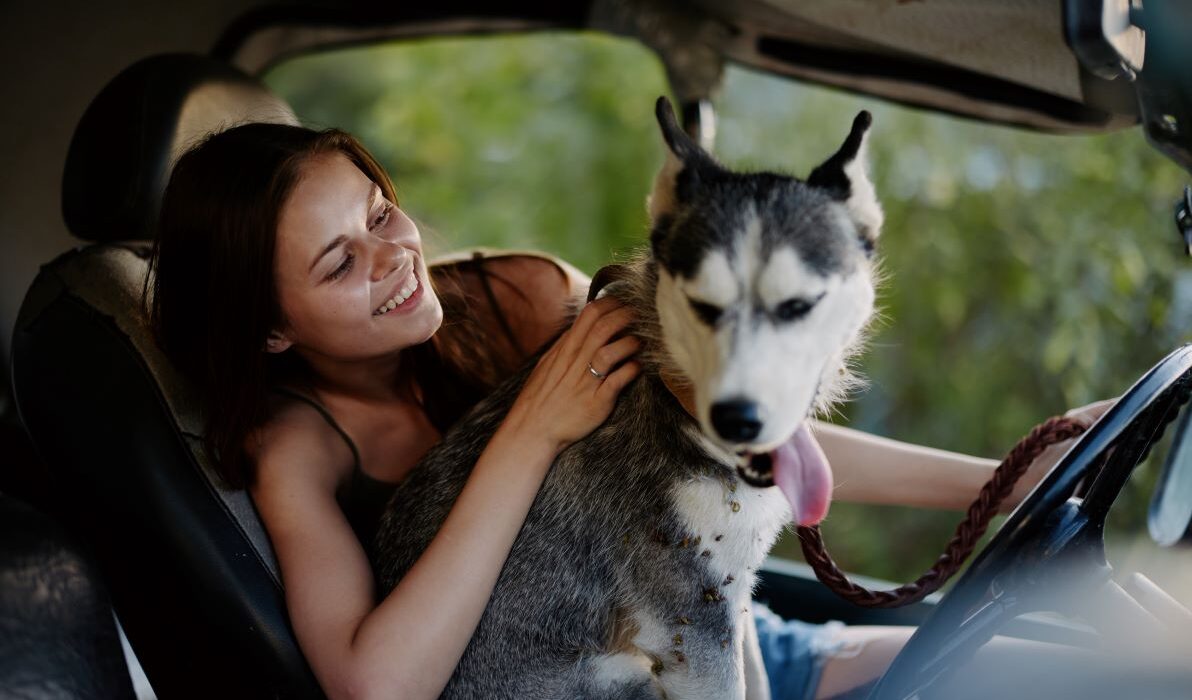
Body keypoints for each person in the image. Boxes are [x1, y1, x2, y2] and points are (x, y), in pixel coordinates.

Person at [148, 122, 1111, 700]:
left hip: (726, 624)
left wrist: (996, 484)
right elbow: (374, 686)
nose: (392, 255)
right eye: (338, 263)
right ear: (270, 329)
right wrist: (531, 429)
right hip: (585, 676)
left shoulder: (520, 295)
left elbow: (749, 429)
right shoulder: (296, 448)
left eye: (380, 211)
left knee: (1075, 672)